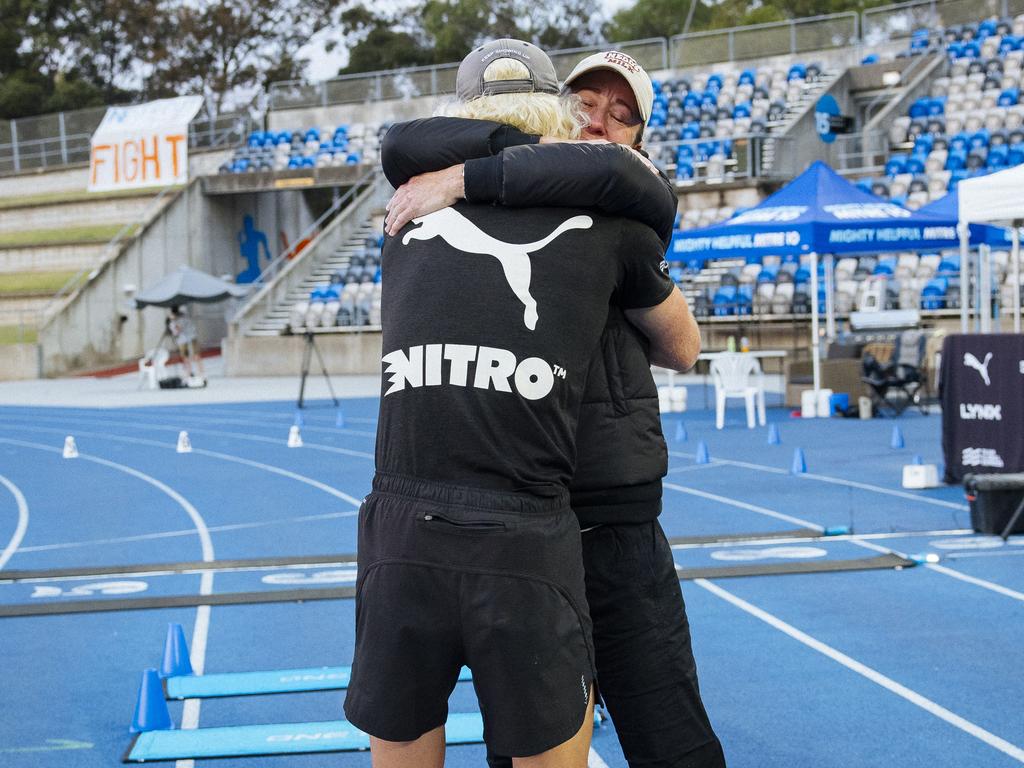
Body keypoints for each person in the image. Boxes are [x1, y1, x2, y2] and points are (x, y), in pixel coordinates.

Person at [344, 40, 698, 768]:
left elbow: (683, 344)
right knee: (525, 736)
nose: (601, 123)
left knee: (666, 729)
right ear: (557, 113)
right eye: (588, 106)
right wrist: (478, 178)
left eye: (621, 116)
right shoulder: (452, 195)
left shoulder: (616, 211)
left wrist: (470, 174)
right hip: (522, 516)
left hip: (605, 514)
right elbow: (405, 146)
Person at [167, 305, 205, 384]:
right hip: (190, 337)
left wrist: (172, 323)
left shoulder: (178, 320)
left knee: (188, 358)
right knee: (195, 356)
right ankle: (199, 372)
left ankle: (190, 373)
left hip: (184, 339)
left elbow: (177, 330)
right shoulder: (185, 316)